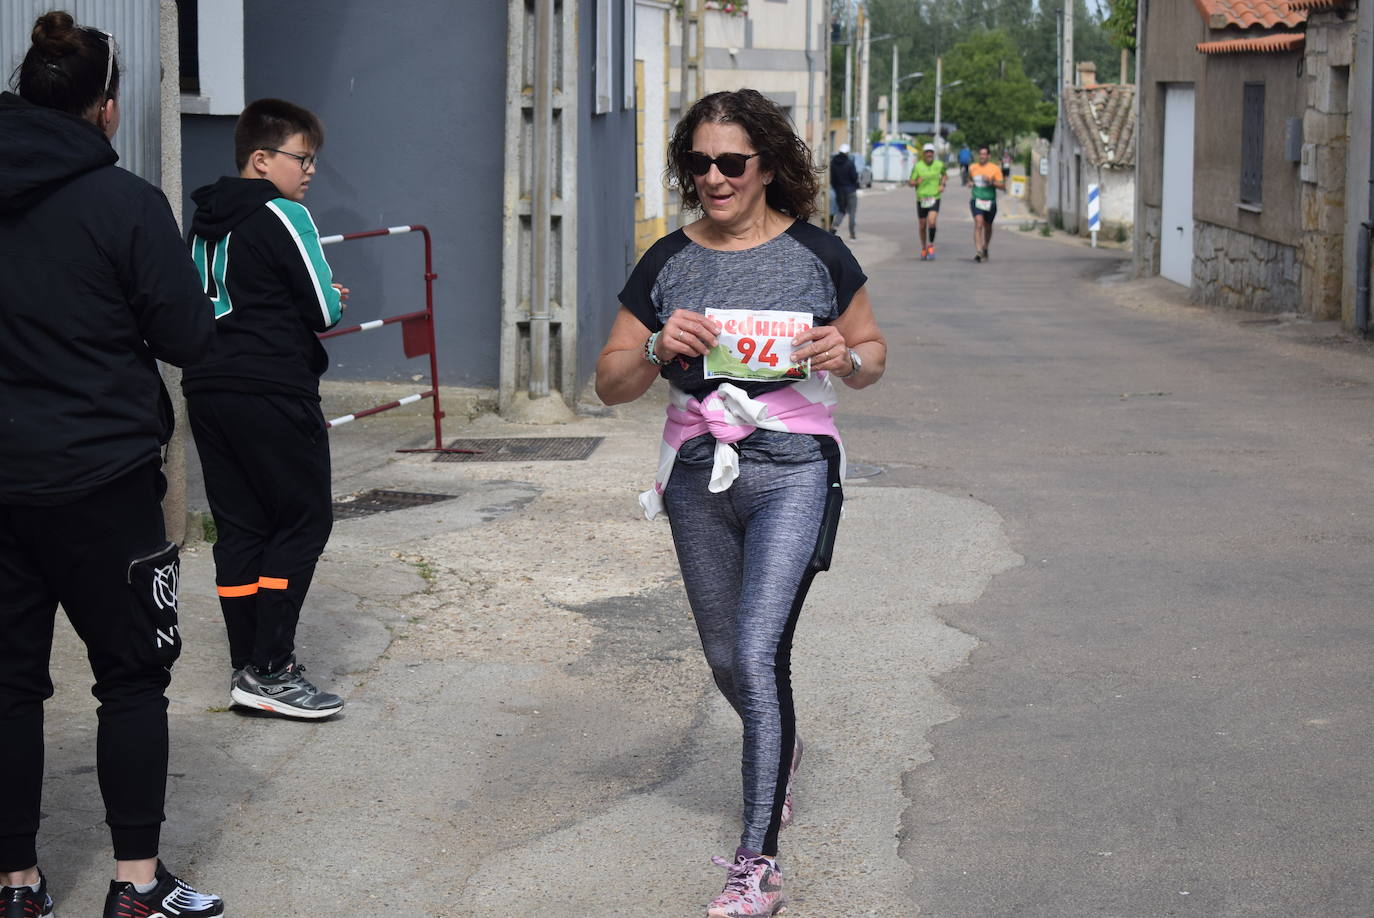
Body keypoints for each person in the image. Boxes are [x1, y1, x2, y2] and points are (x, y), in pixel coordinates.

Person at [596, 89, 886, 918]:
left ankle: (757, 865)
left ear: (766, 166)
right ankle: (780, 746)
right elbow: (610, 382)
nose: (714, 179)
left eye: (732, 163)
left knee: (759, 654)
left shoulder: (819, 256)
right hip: (698, 476)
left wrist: (847, 354)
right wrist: (653, 348)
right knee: (725, 657)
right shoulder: (666, 261)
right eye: (699, 163)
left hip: (795, 469)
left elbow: (871, 352)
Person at [0, 11, 226, 918]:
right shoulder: (127, 203)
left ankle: (16, 886)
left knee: (9, 683)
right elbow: (186, 339)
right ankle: (136, 887)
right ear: (105, 108)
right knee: (130, 678)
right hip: (104, 479)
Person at [183, 99, 348, 720]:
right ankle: (272, 668)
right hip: (273, 384)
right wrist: (331, 295)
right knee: (303, 523)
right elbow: (323, 311)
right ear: (262, 158)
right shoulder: (285, 213)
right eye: (302, 158)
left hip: (209, 383)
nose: (309, 172)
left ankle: (247, 666)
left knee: (243, 526)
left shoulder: (202, 217)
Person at [908, 142, 947, 260]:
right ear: (924, 154)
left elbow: (944, 175)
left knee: (931, 222)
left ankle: (931, 245)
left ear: (933, 153)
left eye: (931, 152)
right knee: (922, 225)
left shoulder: (939, 165)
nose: (929, 154)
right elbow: (910, 182)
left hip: (934, 197)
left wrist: (942, 184)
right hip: (921, 198)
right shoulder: (918, 166)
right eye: (927, 152)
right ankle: (923, 247)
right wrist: (916, 182)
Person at [968, 145, 1005, 262]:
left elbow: (1003, 186)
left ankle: (985, 247)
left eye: (984, 154)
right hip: (976, 200)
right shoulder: (973, 167)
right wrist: (970, 183)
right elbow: (970, 179)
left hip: (990, 201)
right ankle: (979, 251)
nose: (982, 156)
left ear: (988, 156)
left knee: (987, 227)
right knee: (979, 223)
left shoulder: (995, 169)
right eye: (980, 154)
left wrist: (991, 181)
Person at [829, 142, 859, 241]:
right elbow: (854, 177)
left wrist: (837, 188)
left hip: (839, 191)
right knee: (852, 213)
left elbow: (832, 179)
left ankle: (833, 230)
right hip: (850, 191)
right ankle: (852, 235)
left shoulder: (833, 162)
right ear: (847, 152)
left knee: (841, 211)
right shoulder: (849, 162)